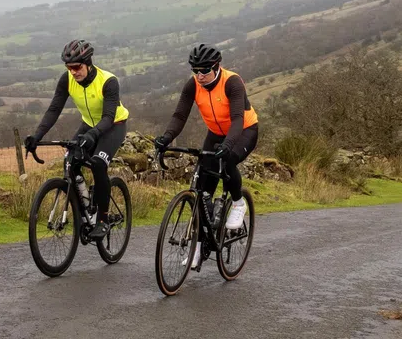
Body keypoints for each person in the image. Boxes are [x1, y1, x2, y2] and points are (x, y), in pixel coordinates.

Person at [24, 39, 130, 239]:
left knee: (98, 163)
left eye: (76, 67)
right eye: (68, 67)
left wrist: (93, 135)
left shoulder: (108, 81)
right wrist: (37, 136)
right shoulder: (67, 80)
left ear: (88, 63)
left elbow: (108, 117)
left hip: (113, 125)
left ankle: (103, 219)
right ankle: (86, 203)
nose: (73, 72)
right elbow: (54, 109)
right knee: (70, 161)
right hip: (89, 124)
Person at [154, 43, 259, 241]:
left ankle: (238, 203)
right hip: (215, 134)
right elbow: (179, 115)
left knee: (228, 160)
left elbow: (237, 118)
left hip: (244, 130)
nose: (199, 75)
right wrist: (166, 137)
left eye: (204, 70)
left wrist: (228, 146)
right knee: (202, 191)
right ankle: (201, 243)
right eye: (195, 70)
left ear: (217, 66)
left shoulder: (232, 82)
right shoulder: (193, 84)